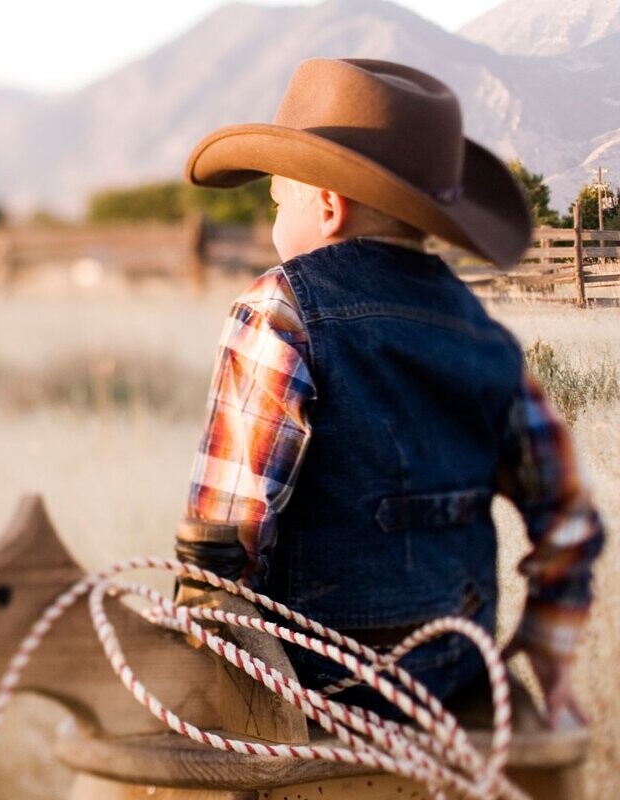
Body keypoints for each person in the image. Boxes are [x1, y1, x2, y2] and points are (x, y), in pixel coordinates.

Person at [179, 58, 604, 724]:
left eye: (278, 199)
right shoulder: (481, 332)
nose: (273, 216)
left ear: (327, 206)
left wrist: (209, 643)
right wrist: (547, 646)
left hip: (323, 682)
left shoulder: (280, 311)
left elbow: (226, 536)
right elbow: (569, 516)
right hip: (456, 675)